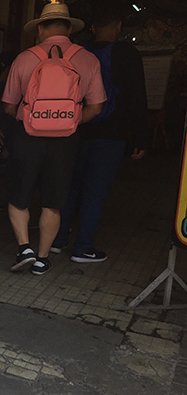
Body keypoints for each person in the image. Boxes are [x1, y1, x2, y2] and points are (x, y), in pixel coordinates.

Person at [1, 1, 106, 275]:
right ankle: (42, 259)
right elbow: (96, 106)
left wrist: (32, 119)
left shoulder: (24, 58)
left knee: (19, 196)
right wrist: (68, 121)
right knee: (53, 201)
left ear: (40, 30)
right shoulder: (87, 59)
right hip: (66, 140)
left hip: (28, 137)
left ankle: (24, 247)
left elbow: (9, 105)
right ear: (70, 29)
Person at [51, 3, 150, 263]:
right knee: (94, 192)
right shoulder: (127, 54)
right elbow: (138, 96)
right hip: (111, 134)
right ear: (118, 27)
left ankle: (57, 240)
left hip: (75, 129)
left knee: (70, 187)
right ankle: (83, 247)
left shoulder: (76, 54)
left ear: (92, 28)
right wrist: (141, 137)